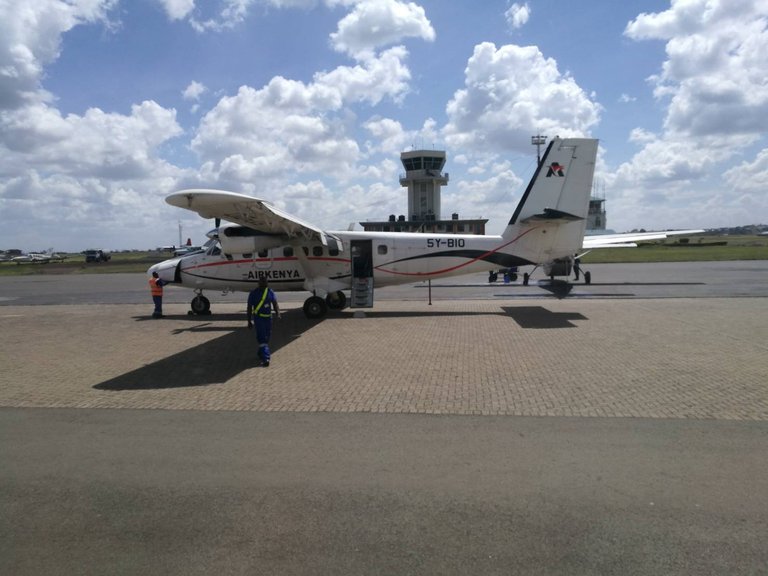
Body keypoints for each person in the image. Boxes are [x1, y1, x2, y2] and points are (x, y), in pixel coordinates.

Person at [247, 277, 280, 367]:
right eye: (262, 282)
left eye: (265, 282)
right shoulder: (253, 294)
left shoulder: (270, 292)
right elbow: (249, 308)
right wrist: (249, 321)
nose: (264, 283)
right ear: (258, 283)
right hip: (259, 318)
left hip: (268, 318)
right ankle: (266, 358)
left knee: (267, 336)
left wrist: (278, 313)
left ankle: (260, 352)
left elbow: (275, 303)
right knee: (262, 337)